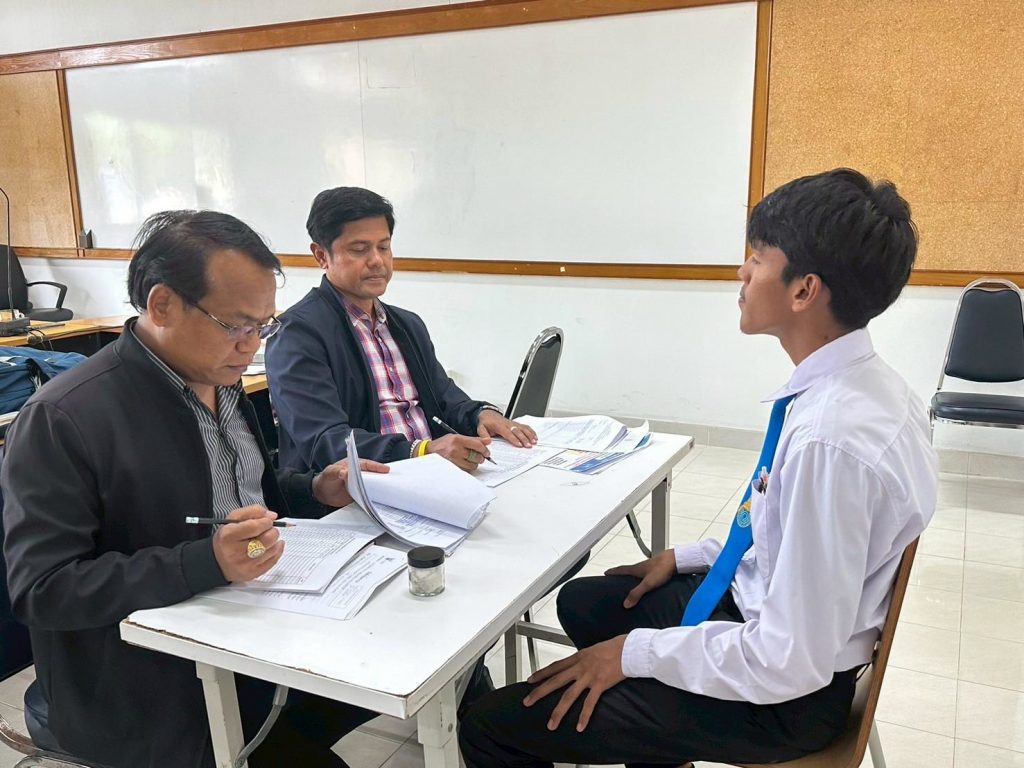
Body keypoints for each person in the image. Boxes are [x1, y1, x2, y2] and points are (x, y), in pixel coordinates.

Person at [458, 168, 939, 767]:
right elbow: (782, 539)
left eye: (757, 259)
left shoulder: (831, 441)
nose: (742, 273)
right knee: (586, 603)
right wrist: (685, 557)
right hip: (776, 624)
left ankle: (645, 724)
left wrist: (632, 655)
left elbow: (786, 659)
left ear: (804, 290)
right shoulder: (865, 389)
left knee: (490, 726)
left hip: (782, 700)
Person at [2, 210, 389, 768]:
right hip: (151, 684)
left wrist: (314, 490)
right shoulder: (63, 417)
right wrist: (206, 561)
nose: (251, 347)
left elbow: (236, 495)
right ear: (162, 305)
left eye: (264, 327)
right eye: (236, 326)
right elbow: (43, 589)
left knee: (412, 658)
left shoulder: (221, 382)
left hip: (253, 639)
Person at [266, 186, 537, 474]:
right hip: (363, 486)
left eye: (384, 247)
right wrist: (421, 451)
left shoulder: (407, 325)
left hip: (432, 474)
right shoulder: (296, 334)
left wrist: (481, 414)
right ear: (321, 255)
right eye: (359, 249)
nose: (377, 260)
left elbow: (445, 397)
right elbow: (326, 441)